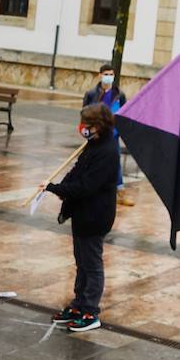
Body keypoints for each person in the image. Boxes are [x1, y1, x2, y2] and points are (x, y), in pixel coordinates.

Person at [44, 103, 119, 333]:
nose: (84, 128)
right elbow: (77, 171)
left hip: (95, 215)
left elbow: (87, 186)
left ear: (100, 126)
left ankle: (90, 311)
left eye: (89, 124)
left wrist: (58, 190)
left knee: (92, 264)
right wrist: (58, 186)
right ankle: (79, 304)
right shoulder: (93, 144)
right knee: (81, 262)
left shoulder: (107, 151)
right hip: (82, 213)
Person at [83, 64, 129, 201]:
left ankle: (120, 192)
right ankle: (89, 188)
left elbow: (123, 114)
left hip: (113, 135)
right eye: (106, 74)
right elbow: (85, 114)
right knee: (91, 160)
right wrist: (89, 131)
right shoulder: (91, 94)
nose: (108, 77)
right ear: (100, 75)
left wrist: (119, 131)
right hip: (96, 135)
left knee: (115, 162)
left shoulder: (119, 95)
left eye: (111, 75)